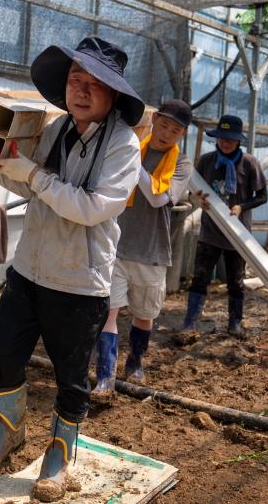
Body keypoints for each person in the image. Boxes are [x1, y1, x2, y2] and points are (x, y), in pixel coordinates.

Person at [0, 36, 142, 502]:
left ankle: (59, 458)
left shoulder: (124, 145)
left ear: (114, 95)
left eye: (94, 84)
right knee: (0, 351)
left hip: (80, 284)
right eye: (75, 79)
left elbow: (91, 208)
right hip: (29, 270)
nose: (80, 90)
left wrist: (29, 172)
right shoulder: (57, 129)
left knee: (71, 378)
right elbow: (33, 187)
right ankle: (9, 433)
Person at [91, 99, 192, 402]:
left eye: (174, 130)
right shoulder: (132, 147)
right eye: (163, 125)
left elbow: (158, 198)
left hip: (152, 251)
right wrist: (132, 153)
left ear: (182, 134)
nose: (166, 133)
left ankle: (135, 361)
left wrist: (132, 159)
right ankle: (105, 377)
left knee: (144, 315)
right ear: (154, 120)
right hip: (117, 246)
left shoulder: (181, 164)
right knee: (109, 311)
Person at [180, 115, 267, 340]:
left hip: (238, 234)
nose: (225, 142)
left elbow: (262, 196)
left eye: (230, 139)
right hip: (210, 232)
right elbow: (192, 191)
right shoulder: (206, 161)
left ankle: (235, 323)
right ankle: (190, 322)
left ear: (238, 140)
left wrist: (241, 206)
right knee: (200, 278)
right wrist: (195, 199)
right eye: (221, 138)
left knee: (236, 282)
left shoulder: (249, 163)